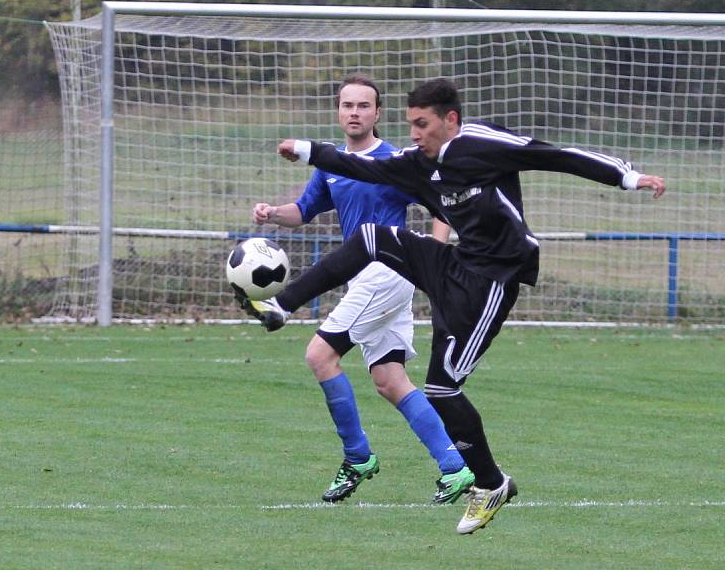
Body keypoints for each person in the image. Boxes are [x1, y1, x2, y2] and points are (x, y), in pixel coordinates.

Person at [239, 78, 666, 534]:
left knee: (443, 389)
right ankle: (280, 307)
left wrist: (628, 177)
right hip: (453, 264)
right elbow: (355, 167)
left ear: (451, 120)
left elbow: (552, 155)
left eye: (423, 124)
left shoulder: (482, 143)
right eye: (412, 125)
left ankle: (490, 483)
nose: (416, 134)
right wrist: (306, 150)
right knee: (371, 238)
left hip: (493, 280)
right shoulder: (414, 163)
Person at [251, 74, 474, 505]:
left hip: (388, 272)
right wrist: (272, 213)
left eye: (363, 106)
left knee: (319, 355)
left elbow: (442, 203)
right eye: (347, 105)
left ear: (377, 113)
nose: (354, 112)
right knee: (390, 381)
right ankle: (455, 468)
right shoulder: (332, 166)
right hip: (367, 278)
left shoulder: (395, 160)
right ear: (339, 111)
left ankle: (357, 456)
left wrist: (434, 250)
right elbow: (303, 211)